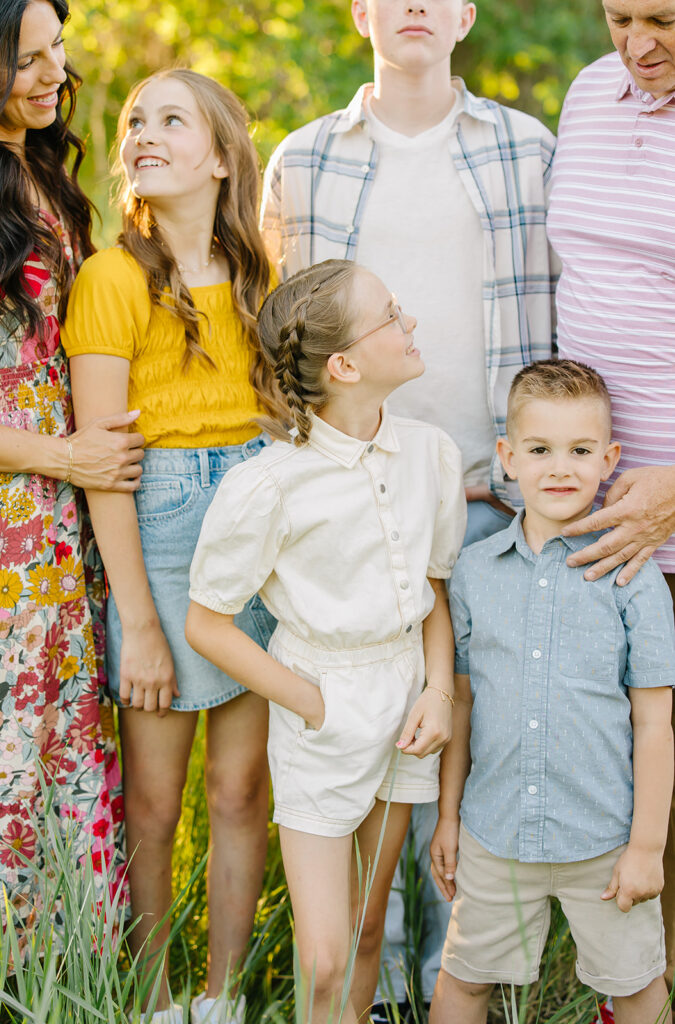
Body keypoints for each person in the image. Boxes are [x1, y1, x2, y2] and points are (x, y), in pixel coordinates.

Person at [260, 0, 558, 1002]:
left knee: (466, 743)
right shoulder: (303, 159)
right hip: (352, 498)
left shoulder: (526, 148)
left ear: (466, 13)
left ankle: (455, 983)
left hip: (493, 496)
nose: (416, 6)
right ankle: (368, 986)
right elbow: (282, 331)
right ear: (361, 15)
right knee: (366, 738)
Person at [185, 258, 467, 1024]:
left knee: (371, 927)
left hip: (406, 701)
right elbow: (206, 621)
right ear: (343, 365)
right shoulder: (270, 484)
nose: (408, 323)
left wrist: (438, 691)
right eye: (390, 315)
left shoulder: (429, 455)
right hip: (322, 710)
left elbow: (432, 588)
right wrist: (309, 700)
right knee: (325, 956)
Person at [62, 69, 281, 1024]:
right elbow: (107, 465)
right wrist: (139, 623)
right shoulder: (111, 278)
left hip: (257, 524)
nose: (144, 134)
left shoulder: (260, 275)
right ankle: (150, 1001)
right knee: (153, 803)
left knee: (239, 790)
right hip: (157, 529)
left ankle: (222, 999)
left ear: (224, 157)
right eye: (137, 122)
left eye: (171, 120)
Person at [429, 359, 674, 1024]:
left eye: (579, 451)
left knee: (636, 986)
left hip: (600, 838)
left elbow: (654, 724)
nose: (559, 468)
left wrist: (645, 848)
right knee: (462, 979)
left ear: (609, 459)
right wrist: (449, 815)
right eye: (538, 450)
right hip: (493, 831)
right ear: (506, 457)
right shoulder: (475, 573)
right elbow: (462, 699)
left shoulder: (634, 579)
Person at [0, 0, 144, 968]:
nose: (54, 73)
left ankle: (72, 976)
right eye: (27, 57)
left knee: (67, 744)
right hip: (11, 522)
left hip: (61, 531)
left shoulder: (40, 178)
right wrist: (64, 458)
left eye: (58, 52)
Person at [546, 1, 675, 988]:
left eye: (663, 19)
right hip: (591, 520)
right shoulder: (589, 93)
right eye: (619, 16)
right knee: (628, 790)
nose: (638, 45)